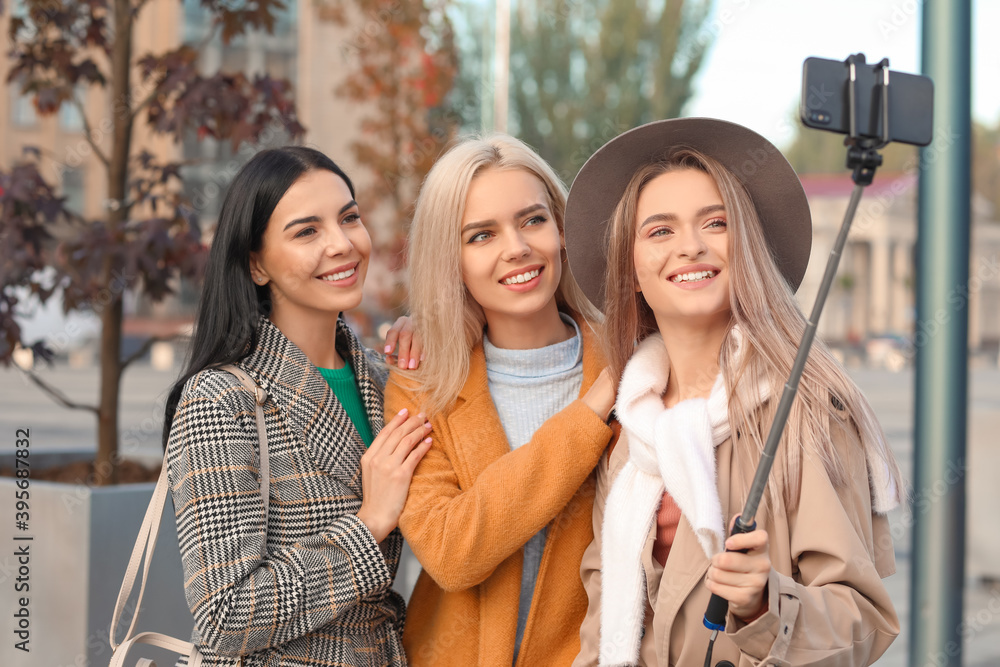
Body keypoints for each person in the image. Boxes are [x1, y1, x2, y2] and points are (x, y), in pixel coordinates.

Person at [566, 118, 904, 666]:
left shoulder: (806, 411)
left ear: (743, 248)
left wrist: (766, 604)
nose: (691, 247)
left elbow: (864, 623)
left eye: (715, 223)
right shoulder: (628, 431)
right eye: (660, 231)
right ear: (630, 273)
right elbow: (604, 619)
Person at [162, 146, 431, 667]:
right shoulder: (221, 400)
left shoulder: (383, 378)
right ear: (257, 264)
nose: (343, 244)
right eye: (307, 231)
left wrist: (439, 337)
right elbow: (222, 617)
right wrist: (369, 524)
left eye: (349, 218)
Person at [384, 134, 618, 666]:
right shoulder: (420, 384)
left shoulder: (635, 365)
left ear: (562, 231)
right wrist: (588, 416)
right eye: (481, 235)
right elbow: (450, 552)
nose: (517, 247)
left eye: (533, 220)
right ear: (452, 260)